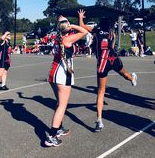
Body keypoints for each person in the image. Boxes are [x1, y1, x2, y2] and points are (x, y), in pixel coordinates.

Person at [78, 9, 137, 132]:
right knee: (125, 74)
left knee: (101, 91)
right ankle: (132, 78)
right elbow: (113, 43)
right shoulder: (111, 33)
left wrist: (81, 16)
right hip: (113, 59)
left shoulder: (96, 31)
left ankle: (99, 120)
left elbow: (82, 26)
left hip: (102, 63)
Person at [45, 16, 88, 147]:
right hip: (62, 74)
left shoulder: (59, 37)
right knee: (63, 105)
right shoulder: (68, 38)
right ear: (66, 26)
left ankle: (58, 128)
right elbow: (84, 32)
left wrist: (66, 25)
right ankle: (51, 136)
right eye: (67, 22)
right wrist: (73, 25)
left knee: (59, 103)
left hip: (54, 72)